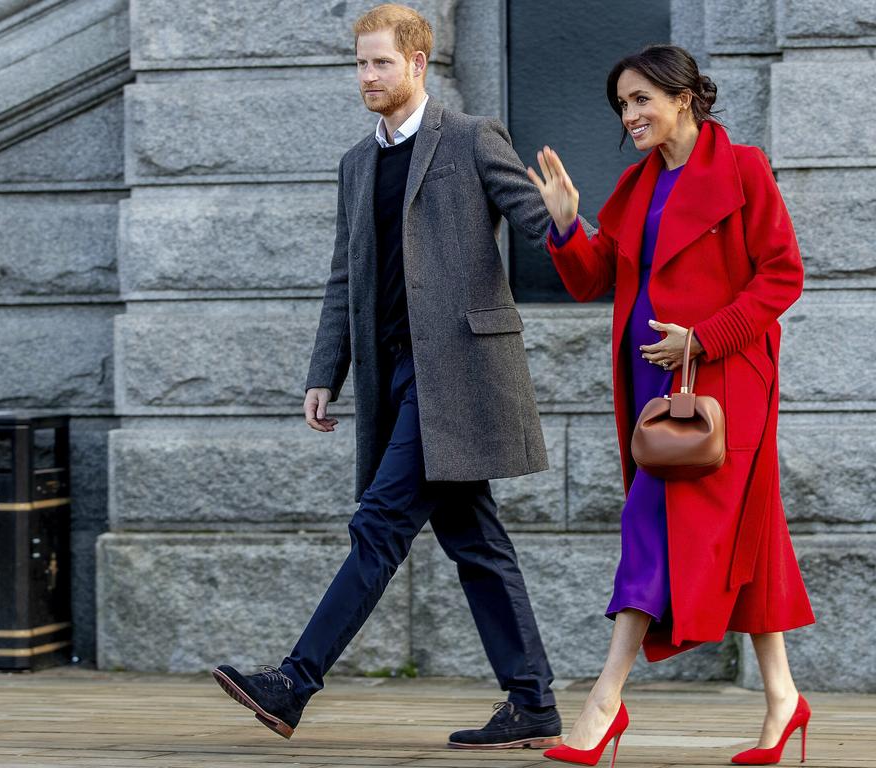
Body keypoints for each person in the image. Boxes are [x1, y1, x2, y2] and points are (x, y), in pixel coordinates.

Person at [212, 2, 569, 751]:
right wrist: (324, 372)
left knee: (379, 524)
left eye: (380, 62)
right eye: (360, 63)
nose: (367, 75)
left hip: (462, 378)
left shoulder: (471, 139)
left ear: (418, 62)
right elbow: (346, 276)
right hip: (397, 376)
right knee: (475, 540)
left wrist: (566, 219)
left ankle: (294, 681)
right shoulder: (356, 163)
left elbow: (538, 228)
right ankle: (533, 702)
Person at [526, 45, 815, 766]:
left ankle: (603, 703)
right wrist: (566, 224)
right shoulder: (636, 184)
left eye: (641, 100)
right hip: (655, 387)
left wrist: (706, 339)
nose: (630, 116)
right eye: (622, 106)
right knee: (747, 533)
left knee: (650, 523)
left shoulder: (743, 168)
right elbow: (594, 280)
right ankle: (783, 698)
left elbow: (782, 274)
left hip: (722, 384)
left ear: (683, 96)